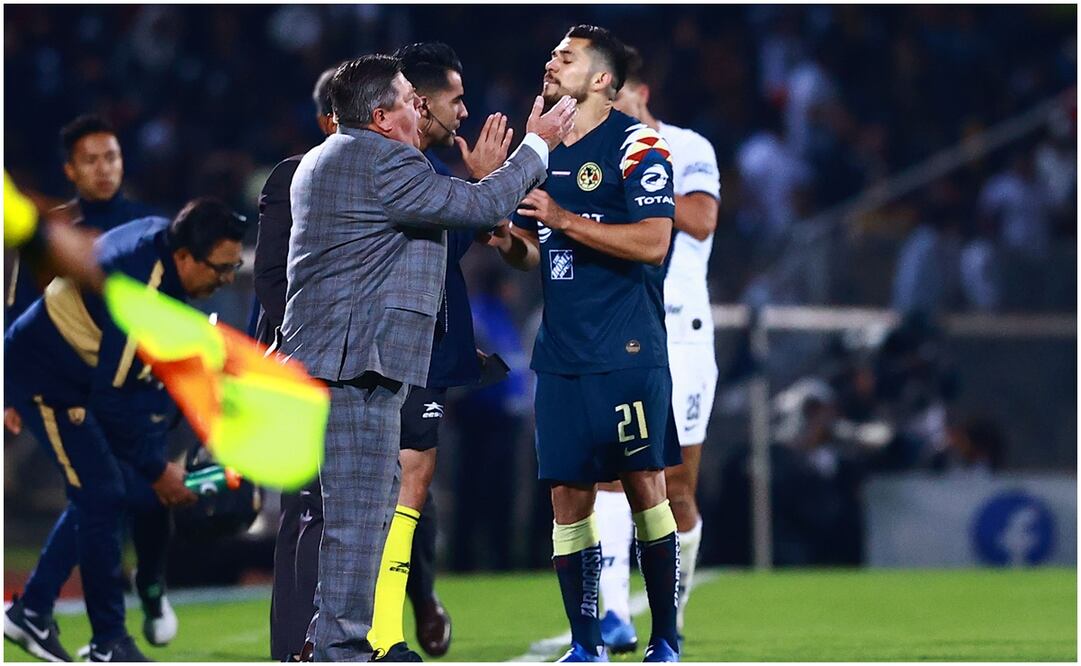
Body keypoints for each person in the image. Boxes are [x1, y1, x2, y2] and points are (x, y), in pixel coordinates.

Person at [278, 54, 574, 662]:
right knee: (359, 519)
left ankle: (337, 641)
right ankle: (341, 650)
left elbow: (446, 217)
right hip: (356, 364)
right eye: (409, 100)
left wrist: (481, 188)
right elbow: (474, 208)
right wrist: (537, 146)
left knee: (358, 514)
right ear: (382, 118)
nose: (420, 109)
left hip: (343, 361)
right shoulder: (381, 159)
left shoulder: (330, 158)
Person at [493, 25, 681, 662]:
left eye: (566, 57)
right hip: (561, 354)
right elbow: (534, 250)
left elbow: (654, 241)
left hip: (627, 350)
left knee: (645, 485)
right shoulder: (539, 148)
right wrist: (505, 236)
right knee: (567, 497)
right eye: (551, 53)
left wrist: (565, 219)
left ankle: (664, 640)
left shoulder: (637, 144)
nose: (551, 62)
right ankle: (585, 644)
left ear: (602, 79)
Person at [3, 198, 247, 662]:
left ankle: (33, 610)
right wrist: (158, 470)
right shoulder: (142, 290)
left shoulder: (164, 245)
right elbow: (112, 398)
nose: (228, 279)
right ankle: (107, 642)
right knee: (102, 495)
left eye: (234, 267)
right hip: (46, 376)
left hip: (79, 373)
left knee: (104, 491)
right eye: (221, 268)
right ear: (184, 257)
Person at [366, 41, 519, 662]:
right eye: (456, 99)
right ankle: (380, 633)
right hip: (395, 354)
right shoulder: (400, 168)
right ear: (421, 105)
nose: (465, 111)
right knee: (398, 486)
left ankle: (384, 627)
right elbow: (430, 256)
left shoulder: (423, 170)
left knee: (410, 483)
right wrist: (483, 185)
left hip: (416, 354)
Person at [595, 45, 721, 653]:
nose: (610, 110)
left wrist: (641, 177)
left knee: (676, 488)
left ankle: (673, 608)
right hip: (623, 329)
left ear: (641, 94)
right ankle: (613, 613)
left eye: (616, 98)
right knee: (611, 476)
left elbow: (700, 218)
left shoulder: (688, 147)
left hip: (683, 332)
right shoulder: (597, 153)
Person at [259, 64, 339, 664]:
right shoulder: (293, 175)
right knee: (307, 510)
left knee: (344, 513)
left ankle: (341, 640)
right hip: (301, 366)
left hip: (353, 366)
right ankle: (293, 648)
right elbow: (270, 281)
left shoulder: (384, 177)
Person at [7, 114, 158, 325]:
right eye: (91, 160)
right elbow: (21, 312)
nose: (103, 169)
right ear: (70, 170)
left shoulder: (151, 228)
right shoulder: (53, 231)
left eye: (111, 158)